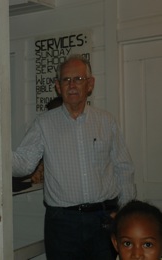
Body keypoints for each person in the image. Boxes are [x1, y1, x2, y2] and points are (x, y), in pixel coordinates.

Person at [12, 54, 136, 259]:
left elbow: (124, 168)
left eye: (78, 79)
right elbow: (24, 164)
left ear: (90, 84)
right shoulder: (43, 123)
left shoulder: (106, 121)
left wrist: (124, 215)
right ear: (58, 86)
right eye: (66, 80)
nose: (71, 85)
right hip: (62, 224)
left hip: (104, 219)